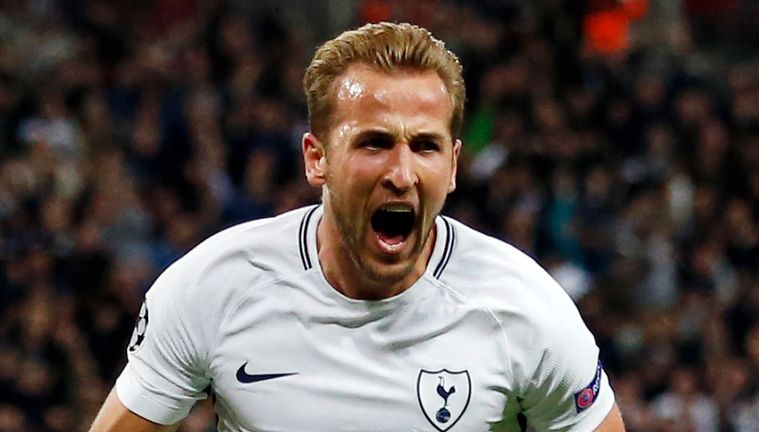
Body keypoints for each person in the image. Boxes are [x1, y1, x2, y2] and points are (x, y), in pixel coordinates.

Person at [90, 22, 625, 431]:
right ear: (316, 157)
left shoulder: (527, 312)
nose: (402, 174)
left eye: (425, 146)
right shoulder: (214, 288)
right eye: (374, 143)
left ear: (454, 165)